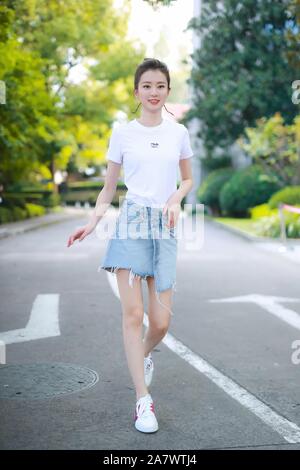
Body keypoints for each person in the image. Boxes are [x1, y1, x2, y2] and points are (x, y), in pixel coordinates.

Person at [67, 58, 194, 433]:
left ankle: (143, 355)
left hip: (164, 227)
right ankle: (143, 401)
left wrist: (175, 198)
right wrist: (92, 222)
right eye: (147, 86)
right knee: (133, 315)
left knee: (161, 321)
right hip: (132, 222)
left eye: (160, 86)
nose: (154, 92)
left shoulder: (179, 133)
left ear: (167, 91)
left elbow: (188, 180)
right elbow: (109, 187)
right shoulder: (122, 133)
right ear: (137, 92)